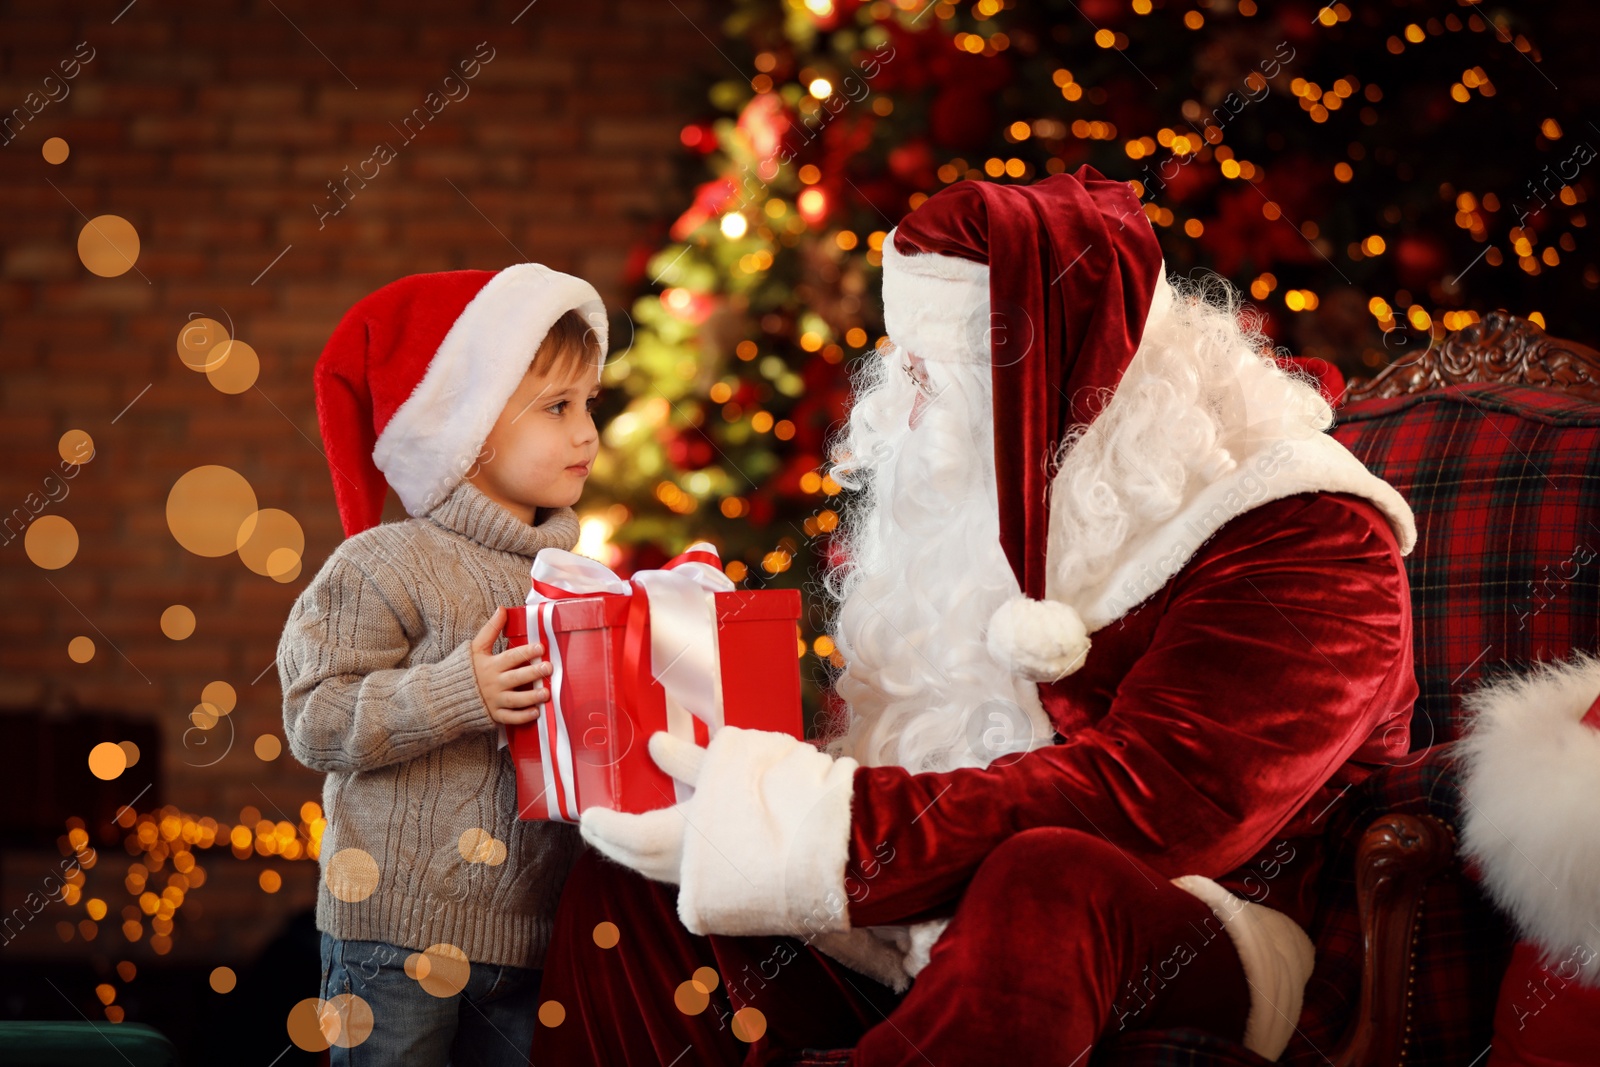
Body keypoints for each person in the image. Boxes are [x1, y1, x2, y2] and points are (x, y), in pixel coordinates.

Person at [532, 166, 1421, 1066]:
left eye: (934, 375)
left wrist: (802, 829)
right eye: (904, 368)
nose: (907, 413)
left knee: (1046, 876)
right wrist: (737, 813)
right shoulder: (987, 495)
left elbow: (1155, 807)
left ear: (1052, 370)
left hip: (1205, 924)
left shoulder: (1307, 529)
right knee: (648, 888)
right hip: (926, 904)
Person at [277, 263, 607, 1065]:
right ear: (468, 425)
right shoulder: (384, 562)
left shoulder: (573, 581)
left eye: (590, 403)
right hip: (395, 935)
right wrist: (464, 688)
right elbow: (314, 717)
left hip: (528, 936)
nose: (587, 432)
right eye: (557, 407)